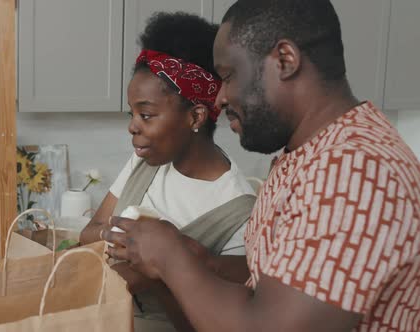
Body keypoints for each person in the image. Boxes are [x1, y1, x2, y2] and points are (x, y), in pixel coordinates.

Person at [102, 1, 420, 331]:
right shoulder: (313, 156)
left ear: (285, 60)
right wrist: (207, 263)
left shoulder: (353, 172)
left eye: (229, 76)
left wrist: (170, 259)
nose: (220, 98)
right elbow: (275, 282)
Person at [79, 12, 256, 331]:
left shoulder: (240, 214)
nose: (133, 126)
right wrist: (121, 240)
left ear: (196, 117)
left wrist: (156, 267)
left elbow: (206, 324)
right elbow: (89, 233)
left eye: (146, 115)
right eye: (132, 113)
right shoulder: (144, 162)